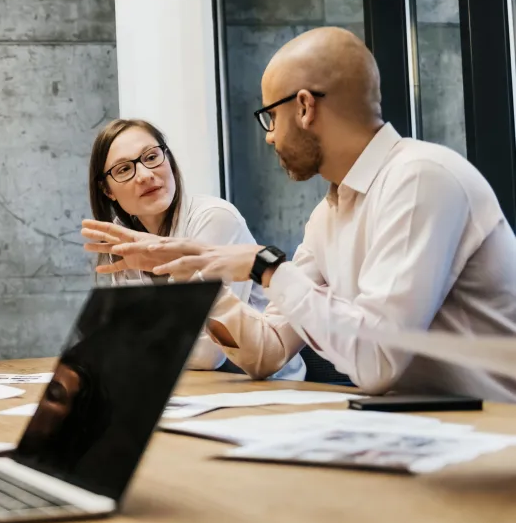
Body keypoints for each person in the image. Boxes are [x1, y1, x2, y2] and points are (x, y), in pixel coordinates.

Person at [85, 27, 516, 401]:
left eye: (270, 117)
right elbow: (266, 353)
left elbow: (377, 361)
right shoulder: (327, 216)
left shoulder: (421, 178)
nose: (270, 137)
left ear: (305, 107)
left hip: (492, 438)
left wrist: (266, 267)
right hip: (422, 431)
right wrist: (191, 271)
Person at [85, 118, 304, 379]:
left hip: (264, 387)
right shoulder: (120, 239)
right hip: (187, 387)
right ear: (107, 190)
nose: (145, 175)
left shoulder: (214, 218)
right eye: (123, 170)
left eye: (152, 156)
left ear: (168, 157)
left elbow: (209, 354)